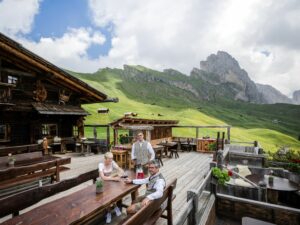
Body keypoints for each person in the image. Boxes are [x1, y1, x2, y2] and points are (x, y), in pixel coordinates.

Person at [98, 152, 124, 223]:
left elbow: (119, 168)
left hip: (110, 181)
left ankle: (115, 207)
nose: (111, 160)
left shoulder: (112, 162)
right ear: (105, 159)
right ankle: (109, 212)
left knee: (116, 192)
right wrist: (114, 179)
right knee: (107, 197)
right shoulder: (101, 164)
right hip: (103, 183)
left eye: (112, 158)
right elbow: (103, 177)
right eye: (109, 159)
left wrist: (121, 173)